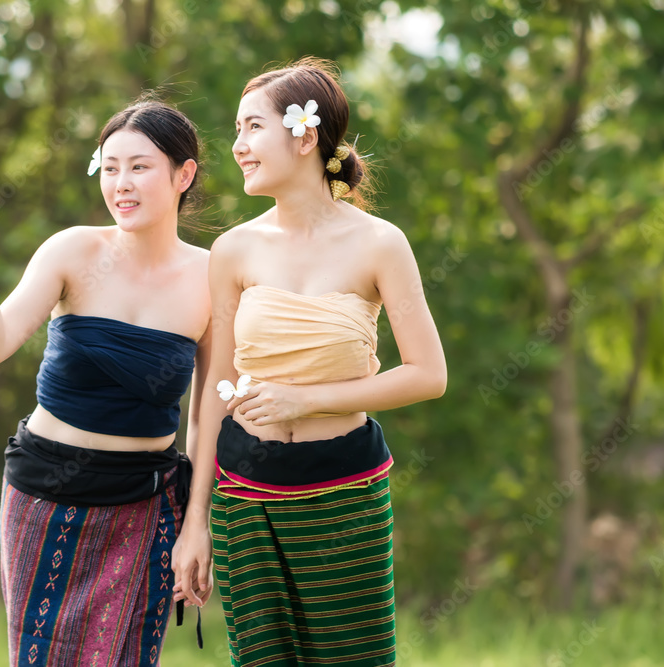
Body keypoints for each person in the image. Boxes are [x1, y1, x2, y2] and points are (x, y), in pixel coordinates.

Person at [171, 58, 447, 666]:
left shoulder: (380, 243)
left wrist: (310, 398)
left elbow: (429, 374)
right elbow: (212, 387)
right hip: (244, 494)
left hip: (344, 491)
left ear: (303, 135)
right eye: (237, 131)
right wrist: (196, 521)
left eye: (251, 129)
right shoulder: (234, 249)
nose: (237, 147)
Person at [0, 97, 211, 666]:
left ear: (183, 173)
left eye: (139, 167)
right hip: (45, 496)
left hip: (146, 504)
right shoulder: (73, 249)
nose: (122, 184)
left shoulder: (212, 277)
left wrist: (196, 525)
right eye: (110, 168)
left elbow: (208, 412)